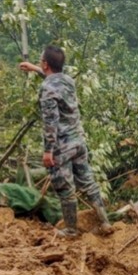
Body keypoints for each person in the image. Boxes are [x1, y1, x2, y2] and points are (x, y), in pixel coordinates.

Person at [19, 45, 113, 237]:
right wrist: (35, 69)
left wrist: (48, 151)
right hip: (78, 142)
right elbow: (55, 80)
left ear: (46, 64)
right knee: (88, 182)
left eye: (40, 61)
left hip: (61, 146)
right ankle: (105, 222)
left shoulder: (47, 88)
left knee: (65, 188)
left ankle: (71, 229)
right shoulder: (68, 80)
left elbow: (50, 122)